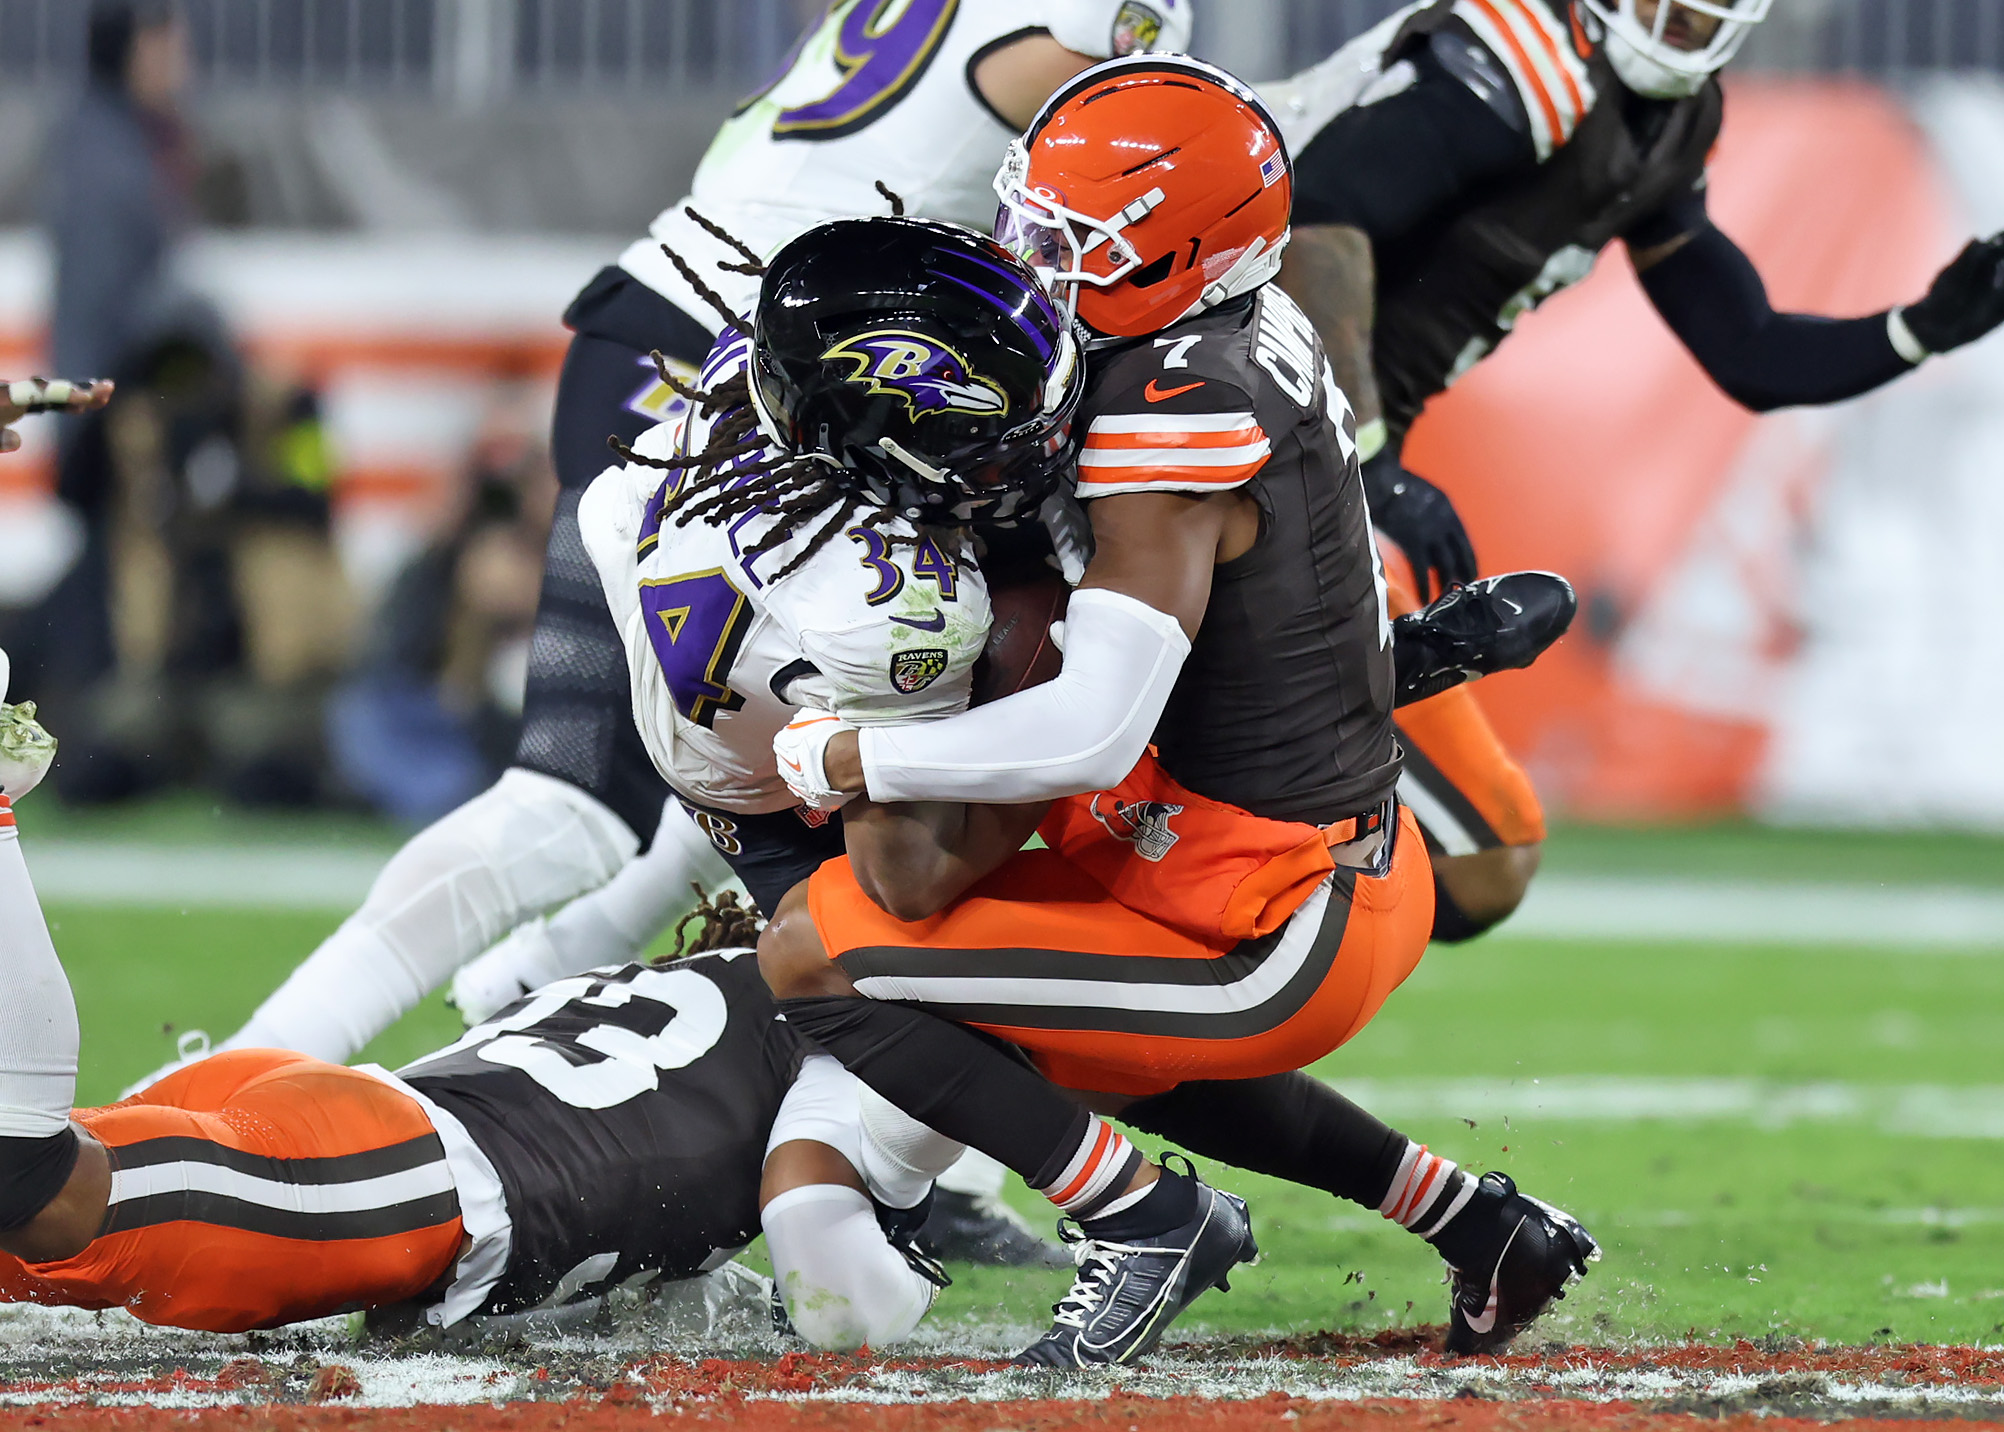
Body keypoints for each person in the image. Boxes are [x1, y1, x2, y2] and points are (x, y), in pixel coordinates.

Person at [191, 13, 1195, 1268]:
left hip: (739, 343)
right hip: (754, 375)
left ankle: (548, 995)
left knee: (768, 778)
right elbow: (1151, 153)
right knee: (587, 800)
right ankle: (240, 1083)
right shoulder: (1078, 23)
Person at [757, 57, 1592, 1368]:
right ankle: (1480, 1225)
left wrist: (852, 746)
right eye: (1029, 216)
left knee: (819, 950)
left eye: (1072, 243)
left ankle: (1141, 1220)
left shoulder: (1172, 404)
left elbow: (1092, 723)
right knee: (1070, 1035)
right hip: (1234, 831)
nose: (1032, 257)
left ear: (1187, 259)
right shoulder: (1211, 332)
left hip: (1275, 905)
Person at [1258, 0, 2004, 940]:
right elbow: (1316, 216)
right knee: (1460, 852)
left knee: (1481, 859)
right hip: (1250, 431)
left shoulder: (1671, 119)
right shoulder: (1526, 64)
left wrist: (1918, 331)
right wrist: (1367, 459)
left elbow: (1753, 350)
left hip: (1316, 448)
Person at [0, 672, 963, 1348]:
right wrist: (912, 1198)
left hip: (346, 1117)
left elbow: (503, 996)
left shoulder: (715, 972)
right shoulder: (857, 1039)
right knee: (32, 1184)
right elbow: (836, 1300)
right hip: (410, 1183)